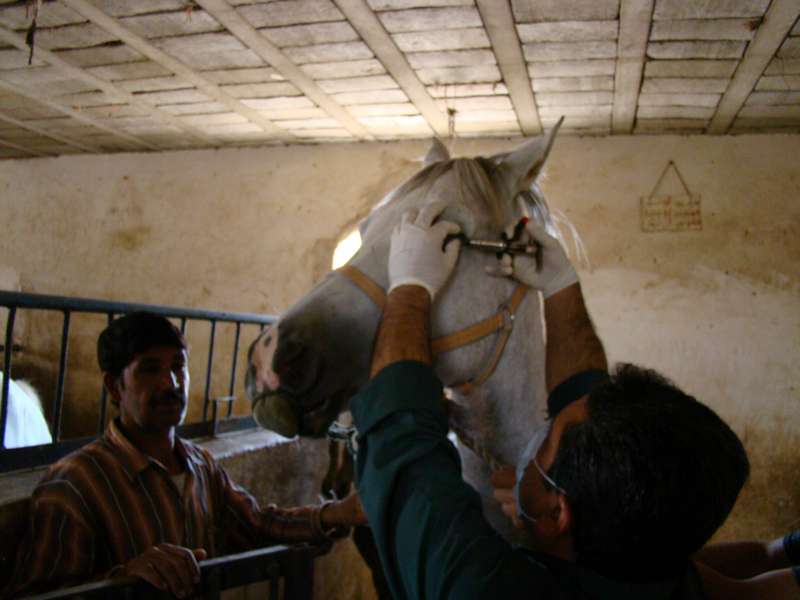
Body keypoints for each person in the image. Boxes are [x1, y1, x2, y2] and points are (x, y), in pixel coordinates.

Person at [348, 206, 799, 598]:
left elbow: (401, 450)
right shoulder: (654, 565)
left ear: (555, 513)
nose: (538, 437)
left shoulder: (485, 589)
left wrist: (408, 288)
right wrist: (559, 283)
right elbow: (586, 401)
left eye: (545, 442)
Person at [3, 312, 365, 599]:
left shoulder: (200, 465)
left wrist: (337, 513)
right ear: (114, 386)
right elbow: (40, 593)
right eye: (150, 369)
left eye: (178, 366)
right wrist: (122, 581)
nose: (172, 383)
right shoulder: (74, 484)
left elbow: (255, 525)